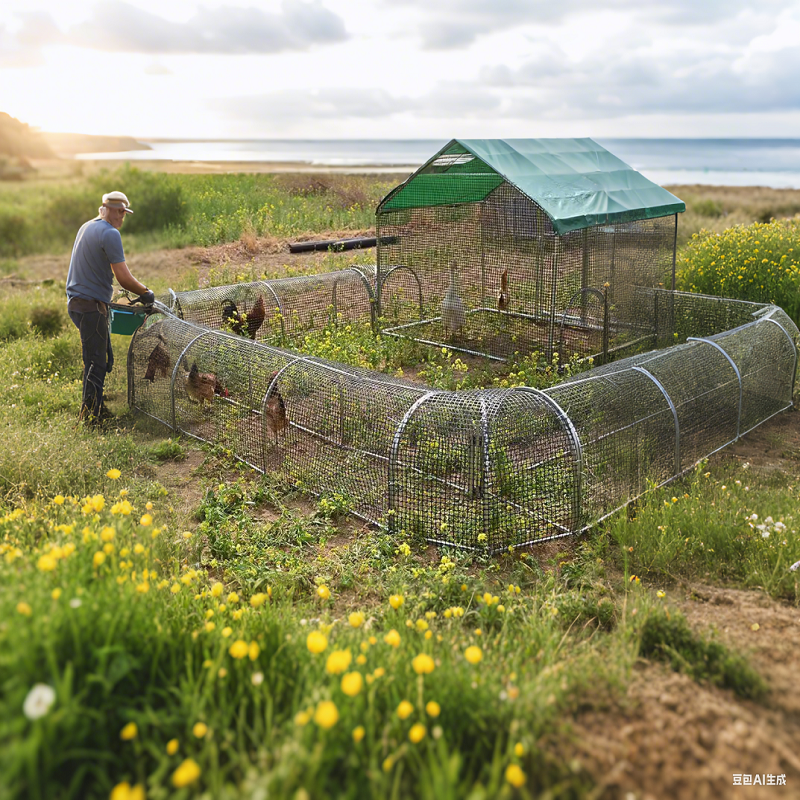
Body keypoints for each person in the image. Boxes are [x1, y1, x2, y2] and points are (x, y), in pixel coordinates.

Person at [66, 190, 154, 427]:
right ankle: (92, 419)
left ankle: (96, 408)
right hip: (90, 306)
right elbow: (123, 277)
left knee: (100, 358)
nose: (122, 218)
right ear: (114, 210)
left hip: (77, 303)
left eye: (124, 214)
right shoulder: (110, 233)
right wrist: (145, 293)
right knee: (96, 362)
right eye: (122, 213)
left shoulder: (87, 226)